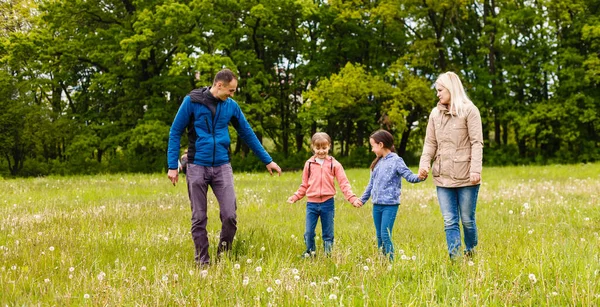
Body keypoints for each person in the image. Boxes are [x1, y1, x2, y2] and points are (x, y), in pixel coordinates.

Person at [167, 68, 282, 266]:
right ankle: (202, 262)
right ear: (219, 85)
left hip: (222, 165)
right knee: (199, 217)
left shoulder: (231, 106)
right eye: (231, 90)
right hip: (197, 165)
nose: (232, 94)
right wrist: (172, 165)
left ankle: (223, 256)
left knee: (230, 215)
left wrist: (267, 160)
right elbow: (175, 131)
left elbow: (247, 133)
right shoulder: (192, 101)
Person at [418, 71, 483, 260]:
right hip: (443, 177)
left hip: (466, 177)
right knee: (449, 221)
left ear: (451, 88)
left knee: (467, 220)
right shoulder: (434, 114)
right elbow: (430, 143)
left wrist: (475, 170)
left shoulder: (470, 110)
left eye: (440, 90)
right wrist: (424, 165)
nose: (437, 94)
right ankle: (455, 258)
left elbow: (476, 143)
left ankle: (470, 251)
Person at [287, 132, 362, 257]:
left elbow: (344, 183)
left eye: (324, 148)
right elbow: (304, 185)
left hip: (327, 203)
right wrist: (295, 197)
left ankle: (328, 255)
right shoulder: (309, 164)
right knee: (309, 232)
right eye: (318, 148)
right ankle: (310, 253)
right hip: (312, 204)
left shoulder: (334, 164)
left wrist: (352, 198)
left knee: (328, 233)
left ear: (329, 146)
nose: (321, 151)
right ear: (312, 147)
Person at [358, 130, 426, 260]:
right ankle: (382, 260)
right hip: (376, 205)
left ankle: (390, 261)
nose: (372, 149)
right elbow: (370, 185)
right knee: (379, 235)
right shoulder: (377, 163)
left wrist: (420, 177)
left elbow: (409, 176)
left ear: (381, 144)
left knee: (385, 233)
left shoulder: (396, 161)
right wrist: (362, 200)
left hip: (390, 205)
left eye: (373, 146)